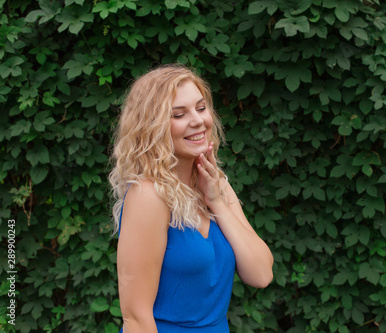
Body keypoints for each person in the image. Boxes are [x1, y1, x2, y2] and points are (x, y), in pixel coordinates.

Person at [108, 64, 274, 333]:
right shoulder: (148, 196)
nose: (197, 120)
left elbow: (261, 274)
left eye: (200, 108)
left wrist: (217, 202)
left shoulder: (215, 184)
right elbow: (136, 317)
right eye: (178, 114)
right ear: (152, 127)